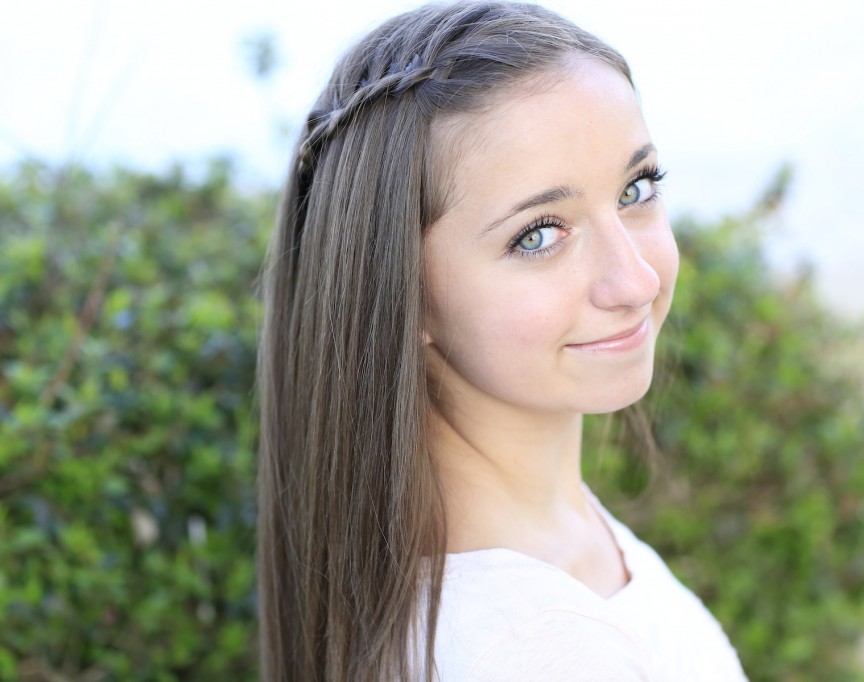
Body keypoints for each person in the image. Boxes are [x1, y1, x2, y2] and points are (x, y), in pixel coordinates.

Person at [257, 2, 747, 679]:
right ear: (402, 290)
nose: (634, 281)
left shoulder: (546, 549)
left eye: (637, 188)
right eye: (539, 234)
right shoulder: (534, 647)